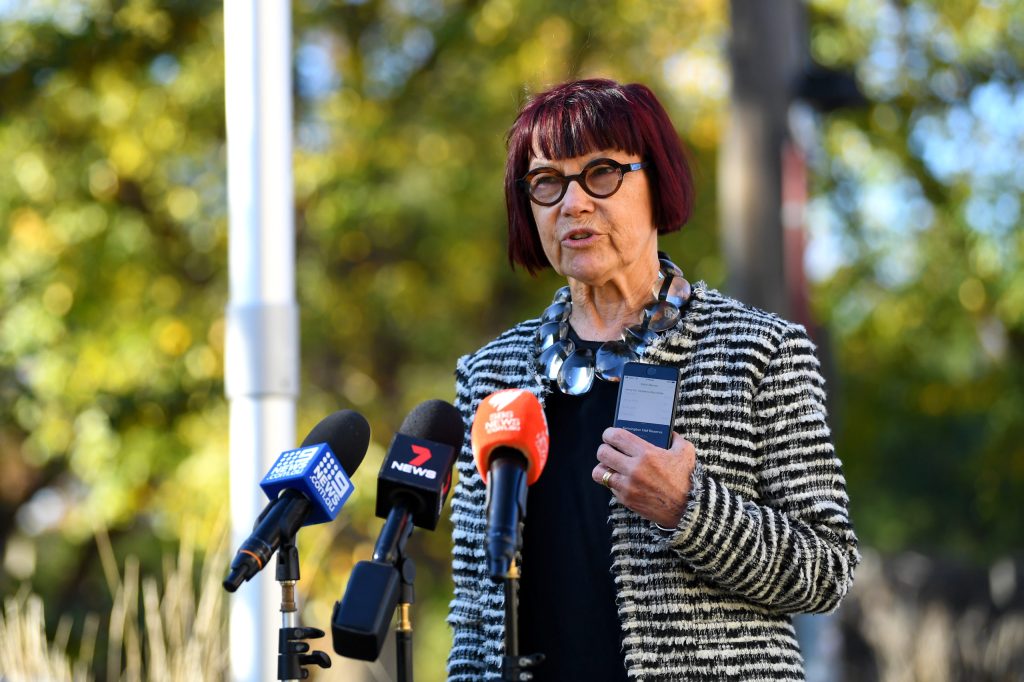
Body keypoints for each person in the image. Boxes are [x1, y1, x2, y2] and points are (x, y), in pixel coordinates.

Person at [446, 78, 859, 681]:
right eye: (547, 182)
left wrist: (689, 508)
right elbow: (475, 614)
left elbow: (828, 568)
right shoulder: (491, 374)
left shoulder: (757, 349)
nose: (573, 203)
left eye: (603, 173)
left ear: (656, 182)